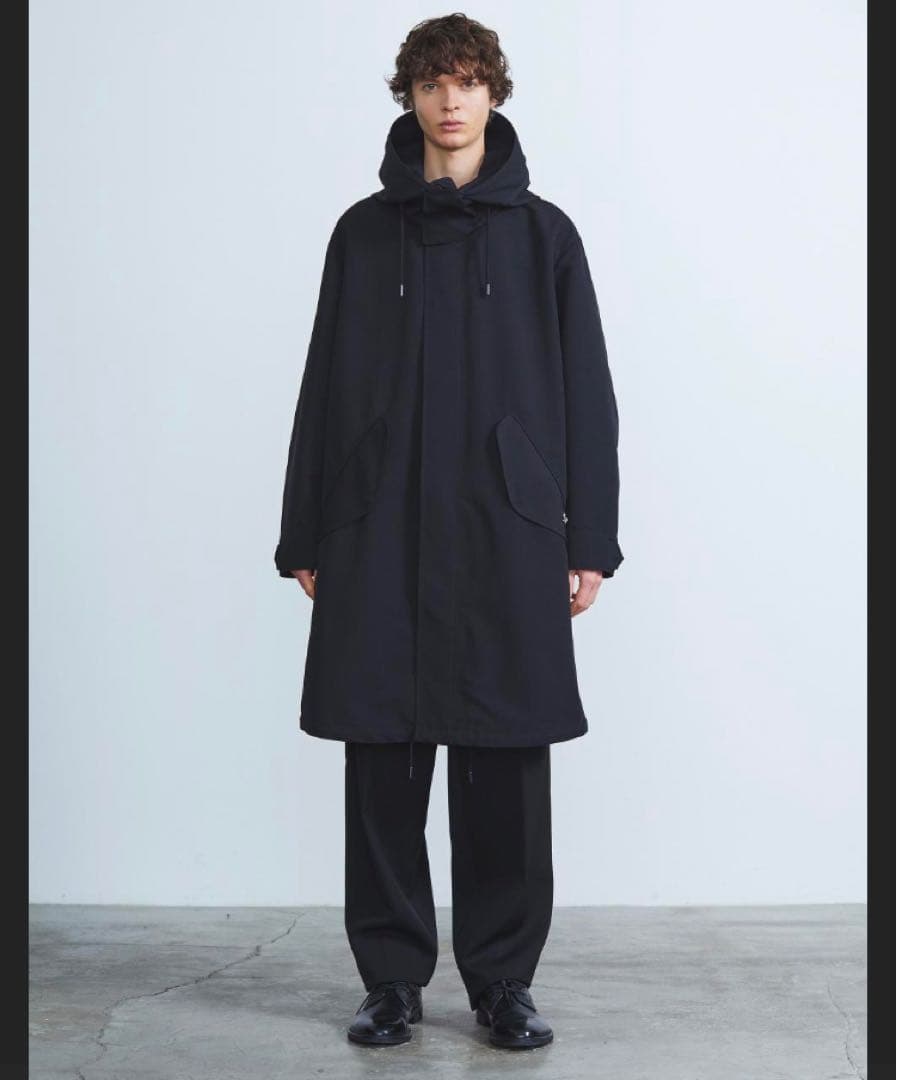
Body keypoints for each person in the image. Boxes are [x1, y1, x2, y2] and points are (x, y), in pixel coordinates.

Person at [274, 14, 623, 1051]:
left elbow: (587, 393)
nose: (450, 99)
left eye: (468, 81)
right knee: (383, 757)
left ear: (493, 94)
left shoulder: (545, 236)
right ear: (411, 97)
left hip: (505, 527)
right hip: (378, 523)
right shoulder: (361, 233)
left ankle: (502, 983)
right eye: (432, 82)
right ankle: (390, 981)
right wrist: (305, 532)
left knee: (505, 760)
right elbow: (322, 384)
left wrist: (589, 540)